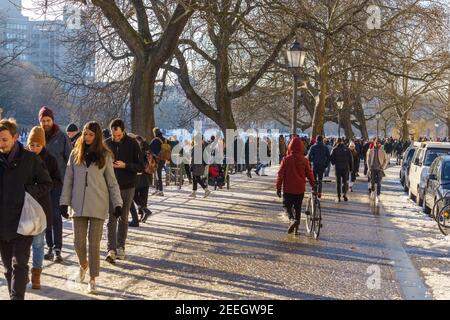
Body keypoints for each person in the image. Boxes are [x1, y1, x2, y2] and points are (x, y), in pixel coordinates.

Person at [60, 121, 123, 294]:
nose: (87, 137)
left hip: (98, 204)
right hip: (78, 205)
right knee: (78, 242)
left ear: (97, 137)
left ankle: (92, 279)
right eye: (85, 133)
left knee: (94, 244)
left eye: (91, 134)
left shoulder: (105, 156)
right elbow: (68, 181)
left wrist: (117, 204)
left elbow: (112, 182)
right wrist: (64, 202)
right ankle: (83, 264)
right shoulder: (75, 154)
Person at [0, 119, 52, 300]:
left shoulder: (30, 159)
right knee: (7, 267)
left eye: (4, 140)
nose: (1, 144)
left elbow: (47, 183)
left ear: (15, 138)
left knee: (20, 264)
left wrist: (28, 192)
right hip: (2, 222)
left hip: (24, 220)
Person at [26, 126, 62, 290]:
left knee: (38, 243)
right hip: (23, 208)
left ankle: (36, 275)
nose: (34, 148)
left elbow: (56, 181)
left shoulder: (50, 160)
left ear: (43, 145)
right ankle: (23, 271)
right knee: (22, 243)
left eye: (37, 145)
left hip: (42, 205)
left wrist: (40, 187)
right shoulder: (22, 159)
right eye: (31, 145)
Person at [104, 119, 144, 264]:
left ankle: (121, 246)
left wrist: (125, 165)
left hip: (128, 185)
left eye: (119, 135)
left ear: (123, 131)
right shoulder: (107, 144)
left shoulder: (132, 143)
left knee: (124, 217)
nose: (116, 138)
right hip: (111, 186)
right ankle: (111, 249)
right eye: (114, 135)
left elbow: (140, 166)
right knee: (112, 217)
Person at [38, 106, 72, 263]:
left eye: (48, 120)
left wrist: (69, 182)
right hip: (41, 184)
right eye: (43, 121)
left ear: (52, 120)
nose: (45, 123)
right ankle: (50, 246)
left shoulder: (62, 137)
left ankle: (58, 248)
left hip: (58, 182)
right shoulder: (37, 136)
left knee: (56, 215)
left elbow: (70, 160)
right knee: (45, 216)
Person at [276, 137, 315, 234]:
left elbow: (280, 175)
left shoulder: (286, 160)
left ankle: (291, 219)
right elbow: (309, 174)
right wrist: (313, 184)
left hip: (288, 188)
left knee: (286, 206)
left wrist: (278, 187)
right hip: (300, 188)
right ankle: (296, 230)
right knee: (298, 207)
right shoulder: (304, 160)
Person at [129, 136, 152, 227]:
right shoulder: (148, 150)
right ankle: (143, 215)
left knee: (134, 194)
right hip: (148, 176)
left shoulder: (138, 151)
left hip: (139, 177)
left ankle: (145, 211)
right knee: (143, 196)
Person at [330, 138, 353, 202]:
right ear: (342, 142)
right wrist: (351, 168)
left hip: (337, 168)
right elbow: (351, 159)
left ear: (337, 142)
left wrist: (334, 163)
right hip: (345, 167)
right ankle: (344, 194)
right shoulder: (347, 149)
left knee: (338, 182)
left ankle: (338, 196)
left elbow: (331, 158)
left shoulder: (335, 149)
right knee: (344, 182)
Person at [367, 138, 389, 203]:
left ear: (380, 144)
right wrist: (369, 167)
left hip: (379, 169)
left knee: (379, 183)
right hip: (372, 169)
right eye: (376, 143)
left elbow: (386, 160)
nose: (377, 144)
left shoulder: (382, 151)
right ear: (374, 143)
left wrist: (383, 167)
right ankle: (373, 191)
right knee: (372, 182)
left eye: (378, 143)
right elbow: (368, 160)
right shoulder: (371, 151)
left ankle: (378, 196)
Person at [149, 128, 169, 196]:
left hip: (157, 159)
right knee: (158, 174)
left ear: (155, 133)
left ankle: (160, 190)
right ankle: (157, 190)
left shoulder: (155, 140)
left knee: (158, 175)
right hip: (163, 159)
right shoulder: (165, 139)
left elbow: (150, 148)